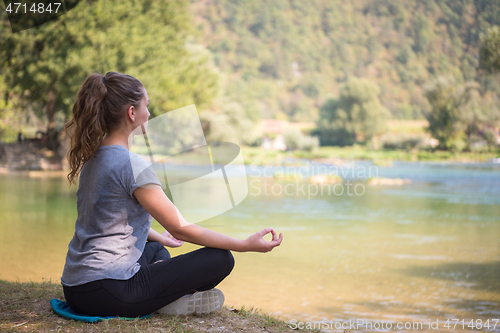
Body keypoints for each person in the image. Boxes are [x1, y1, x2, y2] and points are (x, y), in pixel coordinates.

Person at [61, 71, 283, 318]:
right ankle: (169, 301)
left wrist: (158, 237)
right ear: (132, 113)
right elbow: (180, 228)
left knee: (157, 249)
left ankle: (163, 297)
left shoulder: (92, 159)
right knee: (221, 259)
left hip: (76, 289)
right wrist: (244, 245)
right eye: (147, 105)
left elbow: (103, 220)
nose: (150, 113)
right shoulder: (132, 165)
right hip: (111, 293)